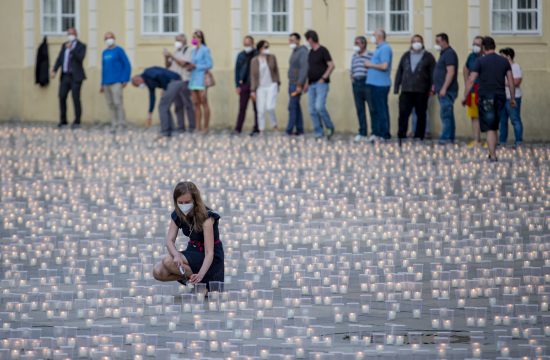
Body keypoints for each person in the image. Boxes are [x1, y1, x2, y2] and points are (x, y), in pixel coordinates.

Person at [153, 181, 224, 290]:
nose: (183, 206)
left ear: (195, 200)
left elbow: (209, 252)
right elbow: (169, 240)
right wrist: (176, 255)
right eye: (180, 202)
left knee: (168, 261)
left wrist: (200, 274)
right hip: (192, 250)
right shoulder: (177, 213)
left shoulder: (207, 217)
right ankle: (194, 282)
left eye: (187, 202)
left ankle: (203, 279)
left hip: (209, 255)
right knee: (158, 271)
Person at [463, 36, 515, 162]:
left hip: (486, 97)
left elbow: (471, 80)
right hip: (501, 97)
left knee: (490, 127)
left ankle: (492, 155)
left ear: (483, 48)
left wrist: (465, 95)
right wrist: (512, 98)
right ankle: (493, 151)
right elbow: (511, 80)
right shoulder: (504, 61)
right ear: (494, 46)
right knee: (495, 125)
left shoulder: (480, 61)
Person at [394, 34, 435, 144]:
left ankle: (419, 136)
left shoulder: (428, 57)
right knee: (403, 113)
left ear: (422, 43)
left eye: (418, 41)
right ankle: (401, 135)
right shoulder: (406, 55)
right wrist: (396, 87)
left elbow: (433, 74)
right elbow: (399, 71)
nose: (416, 43)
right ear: (411, 43)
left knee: (421, 114)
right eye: (414, 41)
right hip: (406, 90)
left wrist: (433, 88)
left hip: (421, 90)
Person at [131, 67, 184, 138]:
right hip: (175, 81)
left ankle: (165, 132)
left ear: (138, 80)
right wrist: (150, 112)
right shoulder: (148, 82)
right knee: (165, 106)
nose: (140, 86)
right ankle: (171, 130)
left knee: (162, 107)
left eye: (138, 85)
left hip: (173, 81)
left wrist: (164, 88)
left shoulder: (147, 72)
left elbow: (160, 75)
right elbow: (152, 97)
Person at [51, 27, 86, 128]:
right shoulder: (64, 45)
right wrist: (54, 69)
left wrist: (72, 49)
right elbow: (60, 59)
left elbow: (80, 58)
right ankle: (63, 120)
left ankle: (77, 121)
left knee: (76, 98)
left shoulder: (81, 46)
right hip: (65, 75)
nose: (70, 35)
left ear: (76, 34)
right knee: (62, 96)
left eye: (72, 33)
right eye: (68, 34)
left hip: (76, 76)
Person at [304, 30, 335, 140]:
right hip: (311, 84)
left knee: (319, 107)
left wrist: (323, 77)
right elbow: (309, 69)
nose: (307, 41)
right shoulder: (310, 52)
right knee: (312, 110)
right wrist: (306, 83)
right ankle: (318, 132)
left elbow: (331, 65)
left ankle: (330, 127)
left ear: (310, 39)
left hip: (321, 84)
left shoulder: (323, 50)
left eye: (307, 39)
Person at [365, 28, 393, 142]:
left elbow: (384, 66)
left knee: (381, 109)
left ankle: (384, 134)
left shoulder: (385, 48)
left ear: (379, 36)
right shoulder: (378, 49)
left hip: (380, 85)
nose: (372, 37)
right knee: (375, 110)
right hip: (373, 83)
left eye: (374, 35)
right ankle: (376, 132)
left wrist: (370, 65)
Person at [164, 33, 195, 133]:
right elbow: (168, 66)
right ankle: (180, 126)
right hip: (175, 81)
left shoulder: (189, 50)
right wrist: (166, 57)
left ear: (184, 40)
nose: (177, 42)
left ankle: (191, 126)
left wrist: (172, 56)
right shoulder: (176, 51)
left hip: (184, 80)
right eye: (176, 40)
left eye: (179, 40)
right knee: (178, 105)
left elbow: (183, 64)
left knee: (187, 104)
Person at [100, 31, 131, 132]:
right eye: (107, 38)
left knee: (118, 103)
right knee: (110, 104)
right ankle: (114, 123)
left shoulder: (119, 50)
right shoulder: (104, 53)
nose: (109, 39)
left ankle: (122, 123)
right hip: (106, 82)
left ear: (114, 38)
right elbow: (103, 68)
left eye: (110, 37)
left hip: (117, 81)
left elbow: (127, 64)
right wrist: (102, 83)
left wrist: (125, 79)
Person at [433, 33, 459, 144]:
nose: (436, 44)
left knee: (446, 115)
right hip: (443, 90)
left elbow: (450, 72)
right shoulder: (443, 54)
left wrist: (444, 88)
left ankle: (446, 138)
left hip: (447, 90)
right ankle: (450, 138)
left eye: (438, 41)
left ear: (444, 41)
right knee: (448, 114)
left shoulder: (449, 54)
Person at [250, 40, 281, 133]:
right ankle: (261, 129)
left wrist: (278, 82)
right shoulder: (254, 61)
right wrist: (253, 90)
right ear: (260, 49)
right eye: (265, 47)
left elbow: (276, 71)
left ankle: (274, 125)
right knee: (260, 110)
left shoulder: (272, 57)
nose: (267, 49)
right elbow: (253, 76)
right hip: (260, 87)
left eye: (268, 47)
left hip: (271, 85)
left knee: (270, 107)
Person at [188, 30, 213, 133]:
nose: (194, 39)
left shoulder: (205, 50)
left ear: (200, 38)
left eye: (196, 37)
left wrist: (197, 66)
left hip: (201, 79)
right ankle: (197, 126)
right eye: (193, 37)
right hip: (193, 78)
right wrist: (189, 66)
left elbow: (209, 64)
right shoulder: (193, 51)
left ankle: (205, 127)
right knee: (196, 103)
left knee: (204, 102)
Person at [234, 36, 259, 136]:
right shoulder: (240, 55)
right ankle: (238, 129)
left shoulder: (257, 55)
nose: (247, 46)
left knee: (257, 108)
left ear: (253, 43)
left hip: (255, 85)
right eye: (245, 44)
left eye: (248, 44)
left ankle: (257, 128)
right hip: (244, 84)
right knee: (242, 108)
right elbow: (237, 71)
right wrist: (237, 85)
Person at [499, 47, 523, 146]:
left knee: (515, 120)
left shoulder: (515, 66)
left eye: (502, 56)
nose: (500, 58)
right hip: (503, 97)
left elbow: (517, 81)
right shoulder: (501, 67)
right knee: (502, 121)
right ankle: (502, 142)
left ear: (508, 56)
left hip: (513, 97)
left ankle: (518, 141)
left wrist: (503, 82)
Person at [350, 36, 372, 142]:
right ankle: (362, 132)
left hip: (367, 83)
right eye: (355, 43)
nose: (356, 45)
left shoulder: (370, 55)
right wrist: (352, 78)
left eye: (357, 43)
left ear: (363, 44)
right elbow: (352, 70)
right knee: (360, 109)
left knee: (372, 108)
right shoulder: (354, 56)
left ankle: (374, 132)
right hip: (356, 83)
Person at [463, 36, 484, 147]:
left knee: (487, 116)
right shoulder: (471, 56)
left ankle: (491, 140)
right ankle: (477, 140)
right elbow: (465, 68)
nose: (475, 47)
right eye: (474, 44)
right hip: (472, 90)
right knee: (474, 116)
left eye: (478, 44)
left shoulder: (486, 57)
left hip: (484, 91)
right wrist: (466, 83)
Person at [286, 33, 308, 136]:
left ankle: (289, 130)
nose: (290, 42)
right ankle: (300, 129)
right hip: (291, 82)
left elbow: (304, 68)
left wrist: (300, 84)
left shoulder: (302, 52)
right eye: (289, 40)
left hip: (296, 84)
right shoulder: (294, 52)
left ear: (298, 40)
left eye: (293, 40)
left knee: (292, 106)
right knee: (296, 106)